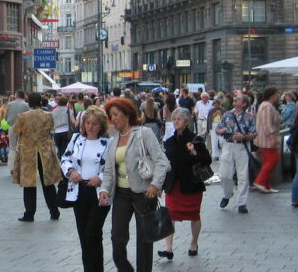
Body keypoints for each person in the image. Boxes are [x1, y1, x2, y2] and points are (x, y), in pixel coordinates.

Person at [97, 98, 170, 272]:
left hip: (144, 193)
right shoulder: (114, 140)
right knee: (117, 238)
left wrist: (155, 184)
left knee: (144, 240)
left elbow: (162, 161)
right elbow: (108, 170)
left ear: (127, 114)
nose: (112, 119)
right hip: (121, 194)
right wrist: (104, 190)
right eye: (110, 116)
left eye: (115, 114)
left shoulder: (143, 133)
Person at [60, 106, 112, 272]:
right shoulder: (76, 139)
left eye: (95, 124)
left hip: (100, 192)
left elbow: (113, 167)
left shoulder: (108, 142)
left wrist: (101, 177)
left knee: (93, 233)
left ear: (101, 125)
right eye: (88, 123)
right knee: (84, 235)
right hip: (79, 190)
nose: (90, 126)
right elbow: (65, 158)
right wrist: (71, 171)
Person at [158, 108, 211, 260]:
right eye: (174, 118)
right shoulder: (169, 142)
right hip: (173, 184)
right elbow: (165, 165)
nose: (175, 121)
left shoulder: (196, 139)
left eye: (179, 119)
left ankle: (194, 242)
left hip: (191, 183)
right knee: (170, 215)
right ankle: (168, 248)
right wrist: (160, 185)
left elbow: (207, 160)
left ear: (187, 122)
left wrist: (194, 153)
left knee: (194, 215)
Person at [12, 93, 63, 222]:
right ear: (41, 102)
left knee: (29, 183)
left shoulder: (23, 117)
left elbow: (16, 130)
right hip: (45, 151)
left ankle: (29, 213)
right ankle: (54, 211)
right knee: (48, 183)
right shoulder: (48, 115)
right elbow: (52, 129)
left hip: (29, 151)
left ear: (28, 102)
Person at [215, 94, 256, 213]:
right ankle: (227, 194)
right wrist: (220, 131)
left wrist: (244, 136)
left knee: (243, 175)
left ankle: (241, 203)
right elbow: (218, 129)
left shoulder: (249, 117)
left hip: (242, 146)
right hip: (228, 145)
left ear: (244, 104)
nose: (234, 99)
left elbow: (254, 133)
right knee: (225, 174)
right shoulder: (227, 114)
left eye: (237, 99)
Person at [253, 87, 281, 193]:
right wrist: (272, 137)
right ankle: (260, 181)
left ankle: (266, 185)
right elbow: (267, 124)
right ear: (272, 95)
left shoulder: (264, 105)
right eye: (276, 94)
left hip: (263, 138)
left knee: (267, 161)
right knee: (273, 160)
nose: (278, 96)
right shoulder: (267, 106)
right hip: (267, 139)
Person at [6, 91, 30, 171]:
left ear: (16, 96)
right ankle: (23, 166)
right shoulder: (27, 105)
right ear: (23, 96)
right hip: (24, 127)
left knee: (12, 147)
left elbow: (6, 117)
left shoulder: (10, 104)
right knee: (23, 147)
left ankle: (12, 167)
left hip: (12, 126)